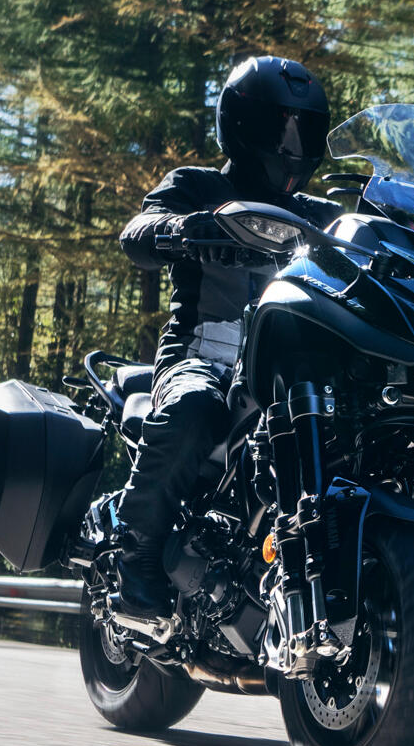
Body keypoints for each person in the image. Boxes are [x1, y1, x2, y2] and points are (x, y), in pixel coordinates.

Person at [105, 55, 343, 619]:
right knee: (193, 409)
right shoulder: (198, 186)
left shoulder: (322, 215)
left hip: (289, 371)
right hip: (203, 354)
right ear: (238, 124)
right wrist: (183, 228)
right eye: (277, 126)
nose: (290, 145)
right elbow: (136, 233)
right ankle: (136, 558)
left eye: (303, 130)